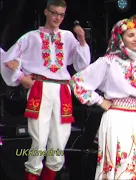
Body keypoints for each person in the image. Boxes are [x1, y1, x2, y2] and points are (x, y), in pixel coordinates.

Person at [0, 0, 91, 179]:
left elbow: (82, 65)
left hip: (62, 89)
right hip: (40, 88)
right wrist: (21, 77)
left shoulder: (67, 37)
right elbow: (7, 60)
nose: (58, 17)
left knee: (58, 144)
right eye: (54, 13)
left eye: (61, 14)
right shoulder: (31, 37)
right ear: (46, 12)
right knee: (39, 142)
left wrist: (81, 41)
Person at [69, 18, 136, 180]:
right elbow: (78, 81)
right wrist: (100, 100)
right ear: (120, 38)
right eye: (130, 35)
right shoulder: (107, 62)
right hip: (117, 116)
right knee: (121, 162)